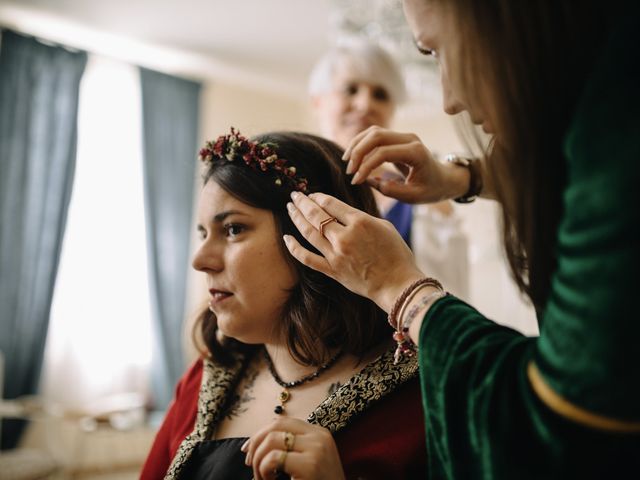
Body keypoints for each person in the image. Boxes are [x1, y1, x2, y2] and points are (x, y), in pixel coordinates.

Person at [282, 0, 640, 478]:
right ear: (320, 102)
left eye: (437, 49)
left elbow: (567, 427)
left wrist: (397, 285)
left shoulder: (619, 127)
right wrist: (463, 176)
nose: (449, 99)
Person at [140, 129, 427, 480]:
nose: (200, 259)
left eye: (232, 229)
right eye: (203, 233)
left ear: (315, 236)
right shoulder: (203, 380)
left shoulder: (419, 401)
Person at [309, 40, 470, 300]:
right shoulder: (292, 182)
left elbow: (451, 294)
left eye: (380, 95)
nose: (365, 104)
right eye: (350, 89)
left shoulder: (426, 199)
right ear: (318, 102)